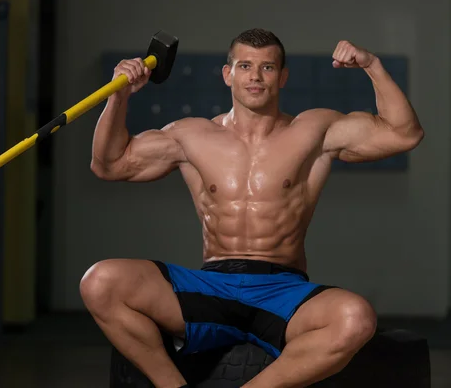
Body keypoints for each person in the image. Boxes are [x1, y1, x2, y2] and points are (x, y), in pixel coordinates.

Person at [80, 28, 424, 388]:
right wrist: (118, 96)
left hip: (282, 290)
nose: (255, 77)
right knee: (100, 282)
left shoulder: (314, 131)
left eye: (267, 68)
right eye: (245, 66)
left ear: (283, 76)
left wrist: (372, 65)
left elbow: (404, 133)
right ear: (228, 74)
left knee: (356, 318)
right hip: (211, 286)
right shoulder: (192, 135)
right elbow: (109, 164)